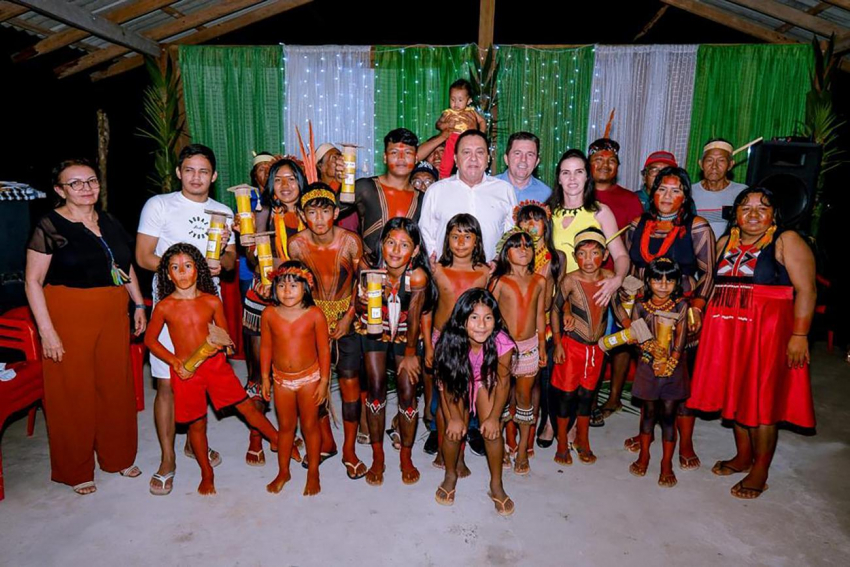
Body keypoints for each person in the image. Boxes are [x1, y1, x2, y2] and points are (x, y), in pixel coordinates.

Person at [25, 158, 146, 495]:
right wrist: (47, 332)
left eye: (90, 180)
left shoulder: (107, 220)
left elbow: (124, 266)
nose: (86, 187)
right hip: (68, 313)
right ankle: (76, 468)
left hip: (112, 311)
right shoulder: (49, 226)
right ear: (59, 190)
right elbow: (33, 281)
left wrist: (137, 302)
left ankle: (118, 457)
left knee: (115, 385)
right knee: (72, 392)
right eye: (75, 183)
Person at [688, 187, 816, 499]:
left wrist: (799, 335)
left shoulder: (786, 240)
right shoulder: (725, 241)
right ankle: (743, 455)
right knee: (735, 391)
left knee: (762, 399)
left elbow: (807, 290)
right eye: (745, 207)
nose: (754, 213)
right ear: (736, 213)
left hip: (767, 333)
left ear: (775, 214)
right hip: (726, 331)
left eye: (763, 207)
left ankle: (761, 468)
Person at [136, 144, 236, 494]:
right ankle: (168, 458)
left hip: (209, 313)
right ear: (179, 172)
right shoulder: (159, 205)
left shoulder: (223, 211)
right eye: (190, 170)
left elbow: (230, 262)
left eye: (203, 171)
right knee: (167, 383)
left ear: (214, 176)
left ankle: (196, 442)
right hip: (169, 313)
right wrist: (184, 268)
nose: (196, 177)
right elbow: (144, 256)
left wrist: (219, 257)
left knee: (201, 381)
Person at [145, 244, 279, 495]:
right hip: (186, 370)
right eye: (175, 268)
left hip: (215, 367)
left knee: (247, 406)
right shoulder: (164, 306)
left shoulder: (212, 300)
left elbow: (225, 333)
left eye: (187, 266)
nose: (182, 272)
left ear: (198, 269)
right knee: (197, 424)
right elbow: (150, 340)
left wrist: (223, 345)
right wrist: (174, 362)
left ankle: (277, 440)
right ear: (167, 274)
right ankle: (207, 473)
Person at [613, 167, 716, 471]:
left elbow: (708, 271)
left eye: (675, 190)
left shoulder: (697, 227)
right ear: (651, 192)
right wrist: (627, 309)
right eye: (661, 189)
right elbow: (633, 270)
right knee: (648, 370)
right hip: (644, 310)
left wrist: (696, 306)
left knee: (678, 378)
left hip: (680, 311)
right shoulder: (637, 224)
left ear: (685, 196)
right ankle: (646, 432)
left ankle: (685, 442)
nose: (667, 196)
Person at [289, 184, 366, 478]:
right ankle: (324, 442)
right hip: (311, 320)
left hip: (347, 317)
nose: (319, 218)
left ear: (336, 212)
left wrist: (349, 316)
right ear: (303, 215)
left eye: (325, 211)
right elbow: (295, 285)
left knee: (349, 382)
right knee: (312, 385)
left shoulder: (351, 242)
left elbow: (363, 282)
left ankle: (349, 449)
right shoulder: (296, 244)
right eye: (312, 212)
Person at [239, 156, 309, 467]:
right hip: (265, 298)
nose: (284, 185)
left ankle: (292, 430)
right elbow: (254, 260)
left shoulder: (312, 214)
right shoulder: (263, 212)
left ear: (301, 183)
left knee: (296, 372)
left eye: (291, 179)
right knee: (259, 372)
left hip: (301, 303)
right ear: (270, 185)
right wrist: (261, 258)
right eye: (278, 179)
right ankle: (257, 434)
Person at [355, 218, 434, 486]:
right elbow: (357, 301)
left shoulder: (418, 275)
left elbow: (414, 317)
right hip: (373, 328)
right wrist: (361, 299)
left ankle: (406, 457)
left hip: (405, 333)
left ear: (415, 250)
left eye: (404, 245)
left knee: (408, 390)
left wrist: (412, 353)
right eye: (390, 242)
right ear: (382, 243)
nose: (395, 250)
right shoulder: (368, 265)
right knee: (375, 387)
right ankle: (378, 457)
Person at [434, 288, 515, 516]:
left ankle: (496, 485)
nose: (481, 325)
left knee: (493, 432)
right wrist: (456, 417)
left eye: (487, 317)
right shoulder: (449, 341)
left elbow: (503, 383)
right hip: (456, 381)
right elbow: (447, 383)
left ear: (495, 319)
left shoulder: (502, 343)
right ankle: (450, 474)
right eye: (474, 318)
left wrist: (493, 417)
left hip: (486, 380)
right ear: (462, 319)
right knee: (454, 430)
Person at [586, 137, 644, 427]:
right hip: (583, 282)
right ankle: (588, 398)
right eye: (598, 159)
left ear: (618, 166)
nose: (604, 165)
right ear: (589, 164)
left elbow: (636, 243)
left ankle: (613, 397)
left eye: (611, 161)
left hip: (618, 281)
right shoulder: (578, 194)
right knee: (590, 340)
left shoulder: (630, 199)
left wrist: (628, 280)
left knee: (619, 340)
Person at [260, 262, 331, 495]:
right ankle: (283, 471)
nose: (287, 290)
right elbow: (266, 348)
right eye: (281, 285)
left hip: (310, 379)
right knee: (286, 427)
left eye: (293, 285)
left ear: (306, 287)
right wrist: (265, 377)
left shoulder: (315, 315)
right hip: (281, 381)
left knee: (310, 426)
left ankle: (313, 472)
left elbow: (324, 350)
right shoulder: (269, 314)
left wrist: (323, 382)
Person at [426, 214, 490, 470]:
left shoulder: (485, 273)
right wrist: (429, 346)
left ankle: (460, 452)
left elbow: (489, 314)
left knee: (466, 399)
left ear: (477, 241)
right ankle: (444, 449)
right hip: (443, 341)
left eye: (467, 236)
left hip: (473, 342)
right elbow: (428, 309)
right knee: (445, 402)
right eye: (455, 236)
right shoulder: (438, 270)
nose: (461, 242)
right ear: (447, 240)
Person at [622, 258, 690, 487]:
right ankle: (644, 456)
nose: (663, 285)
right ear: (648, 281)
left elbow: (681, 337)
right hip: (647, 367)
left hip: (673, 368)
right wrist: (647, 347)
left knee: (669, 417)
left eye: (669, 280)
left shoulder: (681, 305)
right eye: (657, 279)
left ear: (676, 282)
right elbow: (636, 332)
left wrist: (672, 361)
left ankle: (667, 464)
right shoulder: (640, 305)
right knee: (648, 414)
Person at [550, 228, 612, 465]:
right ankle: (563, 442)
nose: (588, 260)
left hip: (596, 349)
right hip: (572, 346)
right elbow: (555, 308)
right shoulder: (570, 280)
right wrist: (557, 344)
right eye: (582, 254)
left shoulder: (609, 279)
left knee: (587, 396)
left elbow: (617, 309)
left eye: (594, 253)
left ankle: (583, 440)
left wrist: (633, 329)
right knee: (566, 396)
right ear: (575, 257)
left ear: (604, 255)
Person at [489, 228, 547, 474]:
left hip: (529, 347)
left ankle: (523, 448)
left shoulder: (540, 281)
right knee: (500, 399)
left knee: (524, 400)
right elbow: (488, 315)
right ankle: (500, 446)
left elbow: (540, 316)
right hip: (502, 346)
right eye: (516, 245)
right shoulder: (500, 282)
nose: (523, 250)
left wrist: (542, 344)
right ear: (505, 252)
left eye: (527, 245)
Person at [420, 130, 518, 262]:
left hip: (492, 275)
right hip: (446, 277)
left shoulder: (504, 190)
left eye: (480, 152)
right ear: (455, 158)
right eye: (466, 152)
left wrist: (498, 262)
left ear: (488, 158)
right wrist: (436, 267)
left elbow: (511, 235)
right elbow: (426, 233)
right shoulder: (436, 191)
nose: (473, 158)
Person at [514, 201, 566, 448]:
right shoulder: (515, 256)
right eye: (525, 220)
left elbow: (558, 297)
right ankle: (523, 426)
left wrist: (564, 316)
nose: (531, 225)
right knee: (524, 381)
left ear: (546, 224)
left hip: (546, 326)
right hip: (520, 327)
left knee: (547, 381)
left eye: (536, 219)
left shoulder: (558, 258)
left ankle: (546, 422)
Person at [546, 149, 629, 300]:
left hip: (589, 296)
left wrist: (618, 279)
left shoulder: (600, 212)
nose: (572, 178)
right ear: (559, 178)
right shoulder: (547, 212)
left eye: (578, 172)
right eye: (565, 173)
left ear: (586, 177)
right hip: (552, 297)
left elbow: (621, 255)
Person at [339, 128, 424, 258]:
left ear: (416, 158)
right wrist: (336, 181)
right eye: (394, 152)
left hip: (407, 274)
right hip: (370, 272)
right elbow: (326, 211)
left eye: (408, 153)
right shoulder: (366, 188)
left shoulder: (423, 199)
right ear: (385, 157)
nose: (401, 158)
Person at [691, 138, 748, 239]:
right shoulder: (689, 192)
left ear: (730, 165)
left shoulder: (742, 192)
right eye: (709, 160)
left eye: (721, 160)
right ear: (701, 164)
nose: (714, 166)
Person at [435, 78, 487, 179]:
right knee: (447, 160)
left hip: (468, 141)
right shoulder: (448, 113)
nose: (456, 103)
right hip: (452, 138)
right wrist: (446, 125)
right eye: (452, 99)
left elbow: (482, 121)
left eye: (460, 100)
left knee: (468, 160)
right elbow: (438, 124)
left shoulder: (471, 112)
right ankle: (442, 178)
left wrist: (481, 134)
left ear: (469, 100)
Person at [313, 142, 359, 233]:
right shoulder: (313, 192)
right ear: (320, 166)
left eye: (341, 157)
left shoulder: (350, 190)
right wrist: (336, 182)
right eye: (334, 157)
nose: (340, 161)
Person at [496, 132, 551, 203]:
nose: (523, 159)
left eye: (530, 155)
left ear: (537, 162)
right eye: (517, 153)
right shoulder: (488, 189)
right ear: (506, 159)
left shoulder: (547, 195)